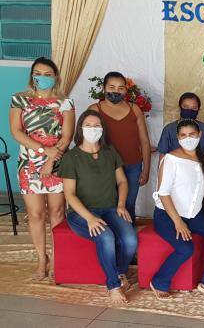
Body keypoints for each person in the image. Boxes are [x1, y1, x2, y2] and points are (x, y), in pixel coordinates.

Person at [59, 110, 138, 305]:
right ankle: (113, 285)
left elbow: (122, 181)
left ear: (102, 129)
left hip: (110, 208)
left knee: (130, 239)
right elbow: (69, 194)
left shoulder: (110, 152)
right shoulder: (72, 157)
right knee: (106, 236)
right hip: (82, 214)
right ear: (80, 128)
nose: (92, 129)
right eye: (88, 125)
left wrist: (121, 205)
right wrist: (90, 218)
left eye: (96, 126)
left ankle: (119, 272)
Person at [8, 57, 75, 280]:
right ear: (32, 75)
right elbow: (16, 132)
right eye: (38, 73)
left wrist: (51, 160)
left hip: (57, 163)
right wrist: (42, 151)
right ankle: (41, 259)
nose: (42, 78)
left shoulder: (65, 103)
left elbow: (66, 137)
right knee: (36, 214)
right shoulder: (19, 100)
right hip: (28, 165)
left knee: (56, 212)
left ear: (55, 77)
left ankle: (57, 258)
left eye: (47, 74)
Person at [149, 119, 204, 300]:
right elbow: (163, 193)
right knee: (186, 249)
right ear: (178, 138)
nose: (188, 139)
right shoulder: (170, 159)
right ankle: (159, 281)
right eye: (183, 135)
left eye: (192, 135)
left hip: (194, 215)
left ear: (199, 135)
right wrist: (178, 222)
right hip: (167, 216)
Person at [88, 71, 151, 225]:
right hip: (105, 166)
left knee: (128, 205)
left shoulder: (134, 109)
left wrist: (146, 169)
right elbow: (87, 141)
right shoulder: (95, 109)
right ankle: (109, 239)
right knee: (106, 204)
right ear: (104, 88)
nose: (116, 91)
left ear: (126, 90)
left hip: (133, 165)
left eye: (121, 88)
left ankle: (128, 242)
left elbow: (144, 141)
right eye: (112, 87)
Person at [157, 92, 204, 197]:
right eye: (186, 107)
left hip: (201, 181)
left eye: (194, 108)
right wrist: (160, 187)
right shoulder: (169, 129)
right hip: (175, 181)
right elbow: (162, 160)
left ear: (198, 110)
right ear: (180, 108)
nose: (189, 110)